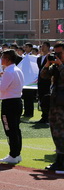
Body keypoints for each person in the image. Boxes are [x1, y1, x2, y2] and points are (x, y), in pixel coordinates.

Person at [38, 42, 64, 174]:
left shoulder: (60, 66)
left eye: (59, 53)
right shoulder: (55, 66)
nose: (57, 55)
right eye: (55, 53)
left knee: (62, 132)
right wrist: (48, 63)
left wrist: (60, 65)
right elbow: (43, 76)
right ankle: (59, 160)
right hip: (55, 103)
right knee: (55, 131)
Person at [0, 49, 24, 164]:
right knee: (16, 128)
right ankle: (17, 153)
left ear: (7, 59)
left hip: (9, 103)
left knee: (10, 129)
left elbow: (2, 88)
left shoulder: (8, 71)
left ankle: (13, 154)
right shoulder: (17, 70)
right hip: (17, 101)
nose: (1, 59)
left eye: (3, 57)